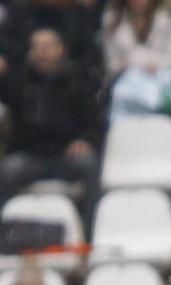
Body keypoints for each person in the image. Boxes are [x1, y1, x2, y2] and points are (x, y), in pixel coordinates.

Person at [0, 27, 101, 229]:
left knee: (89, 164)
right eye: (37, 47)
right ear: (30, 53)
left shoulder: (78, 81)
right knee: (8, 170)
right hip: (31, 157)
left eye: (47, 47)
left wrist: (84, 140)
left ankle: (89, 230)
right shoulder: (20, 82)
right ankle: (6, 233)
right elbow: (6, 99)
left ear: (60, 49)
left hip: (66, 156)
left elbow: (94, 121)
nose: (42, 52)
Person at [103, 0, 171, 117]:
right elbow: (111, 64)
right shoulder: (112, 20)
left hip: (163, 84)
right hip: (126, 89)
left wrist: (146, 62)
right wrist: (131, 64)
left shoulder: (168, 19)